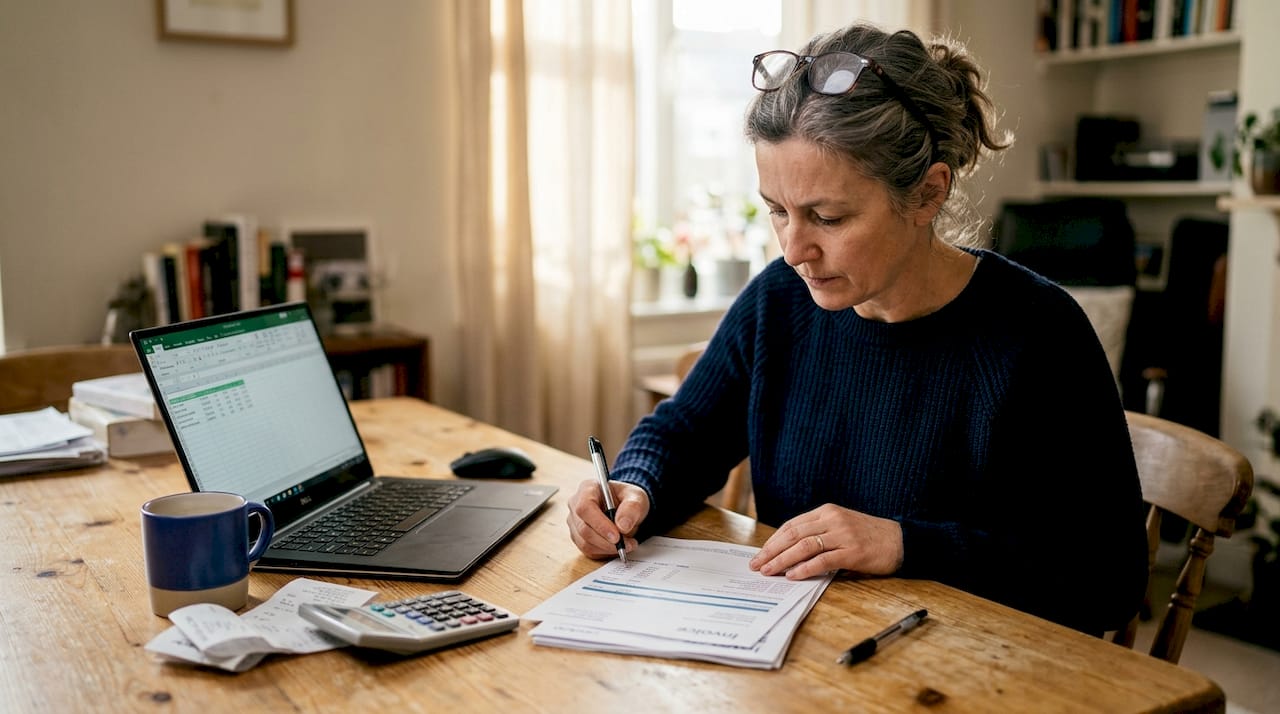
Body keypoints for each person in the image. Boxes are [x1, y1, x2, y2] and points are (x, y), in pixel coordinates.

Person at [567, 22, 1148, 636]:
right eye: (777, 211)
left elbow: (1107, 580)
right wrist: (634, 487)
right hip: (803, 654)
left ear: (927, 194)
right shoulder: (779, 300)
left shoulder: (1038, 335)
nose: (794, 249)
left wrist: (903, 544)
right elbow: (686, 431)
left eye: (827, 216)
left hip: (967, 673)